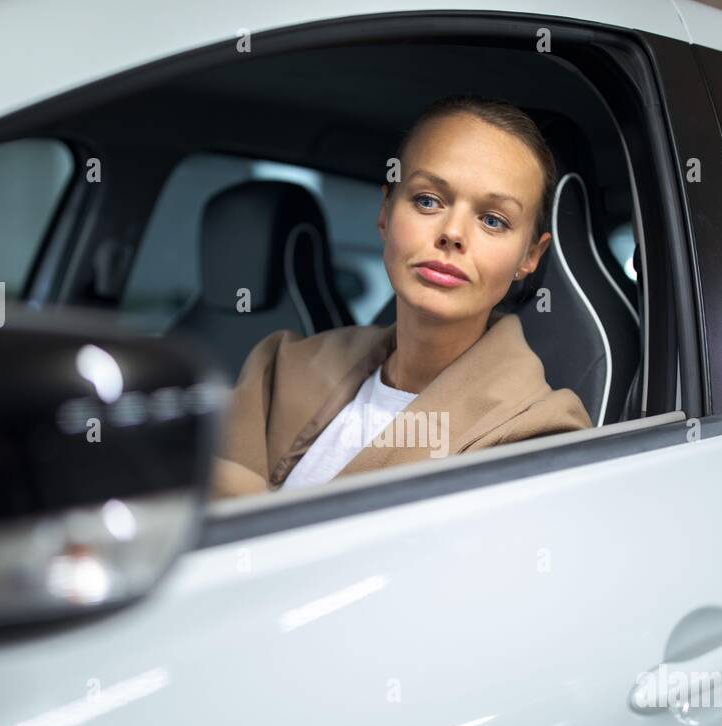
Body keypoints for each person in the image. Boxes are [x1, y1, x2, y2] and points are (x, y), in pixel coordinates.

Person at [211, 94, 592, 500]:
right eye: (428, 200)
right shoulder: (282, 368)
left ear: (530, 256)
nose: (453, 233)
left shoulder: (541, 433)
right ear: (385, 212)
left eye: (493, 220)